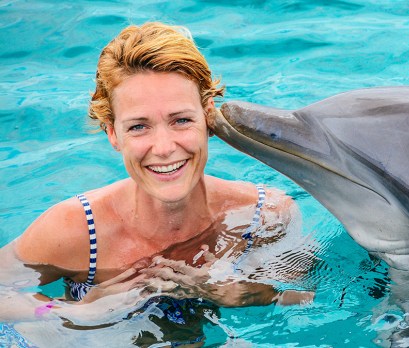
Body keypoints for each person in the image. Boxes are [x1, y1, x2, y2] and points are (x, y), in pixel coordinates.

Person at [0, 22, 314, 346]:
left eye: (181, 120)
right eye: (138, 127)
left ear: (208, 117)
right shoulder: (76, 229)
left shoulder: (265, 214)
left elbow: (307, 299)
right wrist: (71, 313)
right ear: (112, 133)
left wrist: (248, 294)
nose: (163, 147)